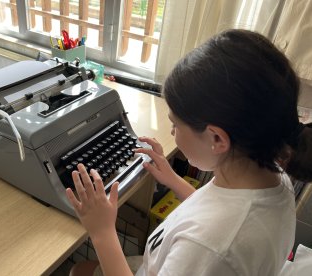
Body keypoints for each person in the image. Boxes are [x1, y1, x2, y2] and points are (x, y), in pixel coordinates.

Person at [65, 29, 312, 276]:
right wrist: (173, 179)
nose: (172, 133)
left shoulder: (209, 248)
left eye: (175, 124)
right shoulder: (270, 175)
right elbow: (218, 209)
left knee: (78, 271)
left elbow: (213, 236)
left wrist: (102, 232)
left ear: (217, 138)